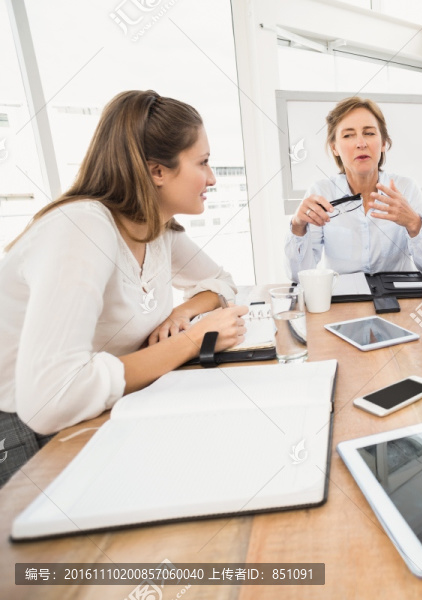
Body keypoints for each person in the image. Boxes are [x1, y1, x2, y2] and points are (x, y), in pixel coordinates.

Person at [0, 91, 248, 486]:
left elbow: (221, 282)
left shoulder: (155, 228)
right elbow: (50, 399)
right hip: (21, 435)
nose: (213, 178)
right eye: (202, 163)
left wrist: (181, 314)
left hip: (101, 411)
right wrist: (190, 341)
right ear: (157, 172)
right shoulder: (82, 229)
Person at [285, 97, 422, 277]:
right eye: (348, 135)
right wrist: (298, 226)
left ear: (383, 143)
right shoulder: (321, 193)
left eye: (369, 133)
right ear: (334, 148)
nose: (361, 143)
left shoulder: (406, 189)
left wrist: (414, 223)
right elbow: (297, 275)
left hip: (400, 301)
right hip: (344, 301)